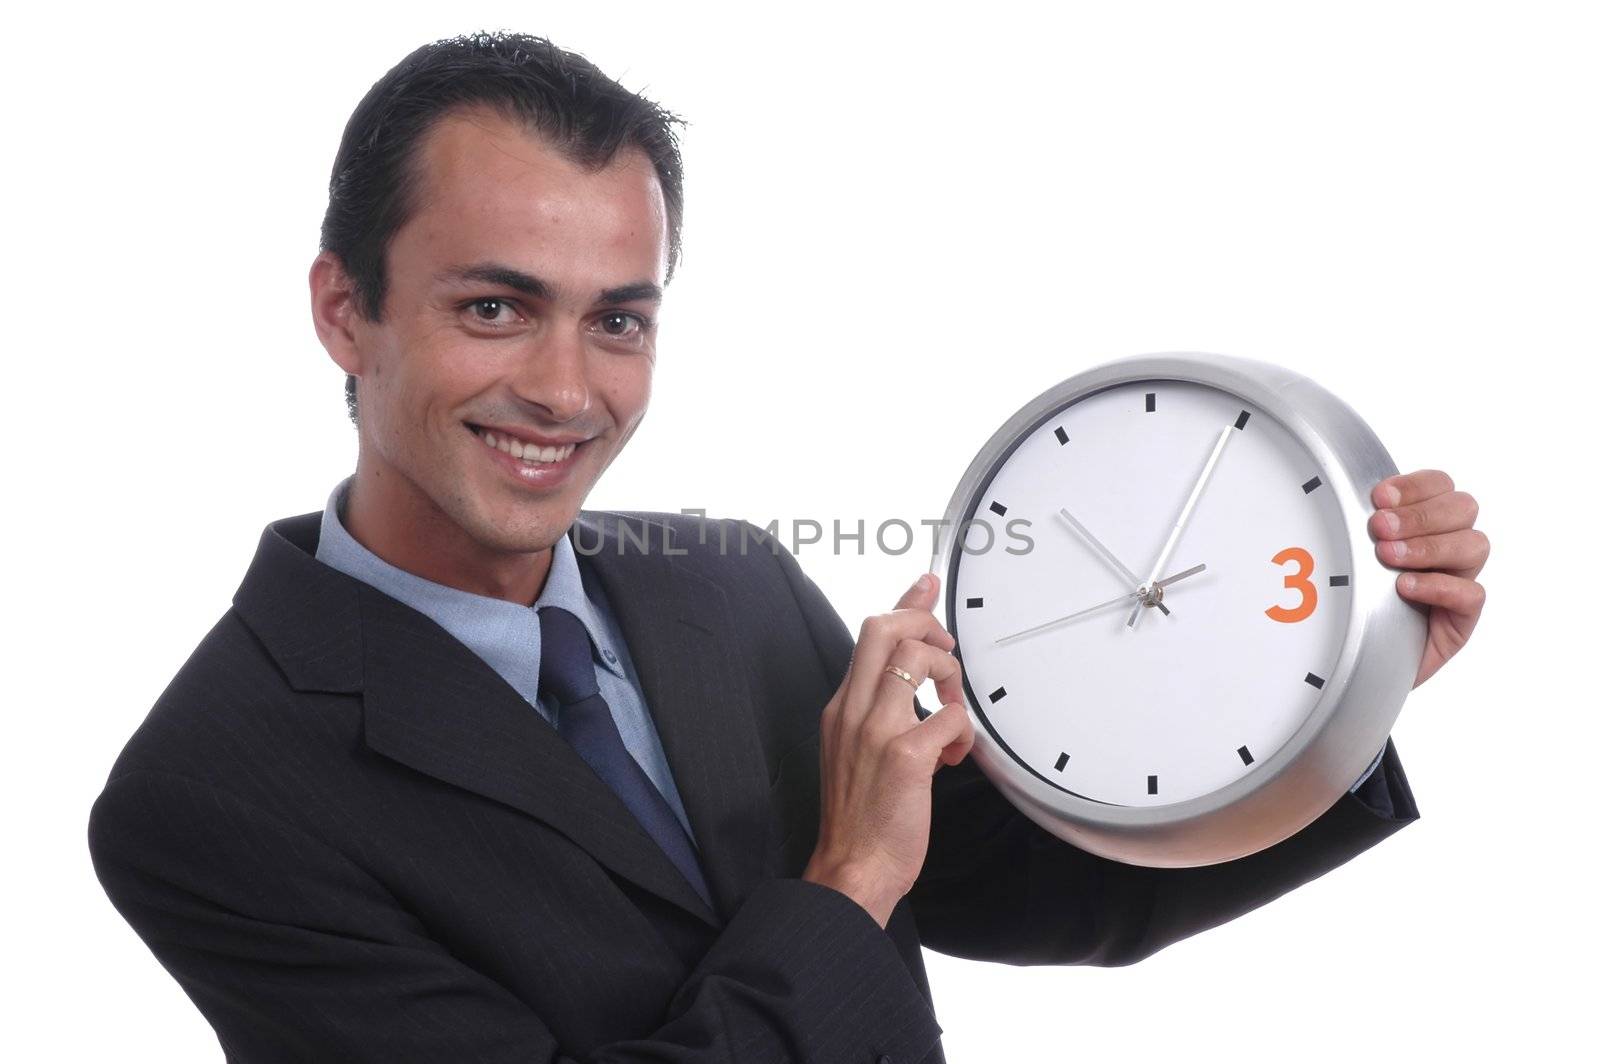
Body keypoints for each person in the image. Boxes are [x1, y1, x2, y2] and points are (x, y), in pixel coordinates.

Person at [86, 31, 1490, 1064]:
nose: (569, 392)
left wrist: (1331, 680)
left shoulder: (724, 582)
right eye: (497, 309)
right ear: (345, 310)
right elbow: (869, 889)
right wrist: (849, 883)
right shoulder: (207, 798)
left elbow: (1001, 881)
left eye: (619, 319)